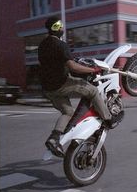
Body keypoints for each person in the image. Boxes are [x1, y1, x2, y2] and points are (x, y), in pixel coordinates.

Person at [38, 16, 118, 156]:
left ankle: (54, 138)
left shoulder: (42, 45)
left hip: (48, 88)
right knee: (93, 91)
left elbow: (55, 62)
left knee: (67, 112)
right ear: (56, 28)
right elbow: (73, 67)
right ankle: (108, 119)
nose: (63, 28)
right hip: (61, 84)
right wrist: (94, 70)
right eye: (60, 25)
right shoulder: (60, 45)